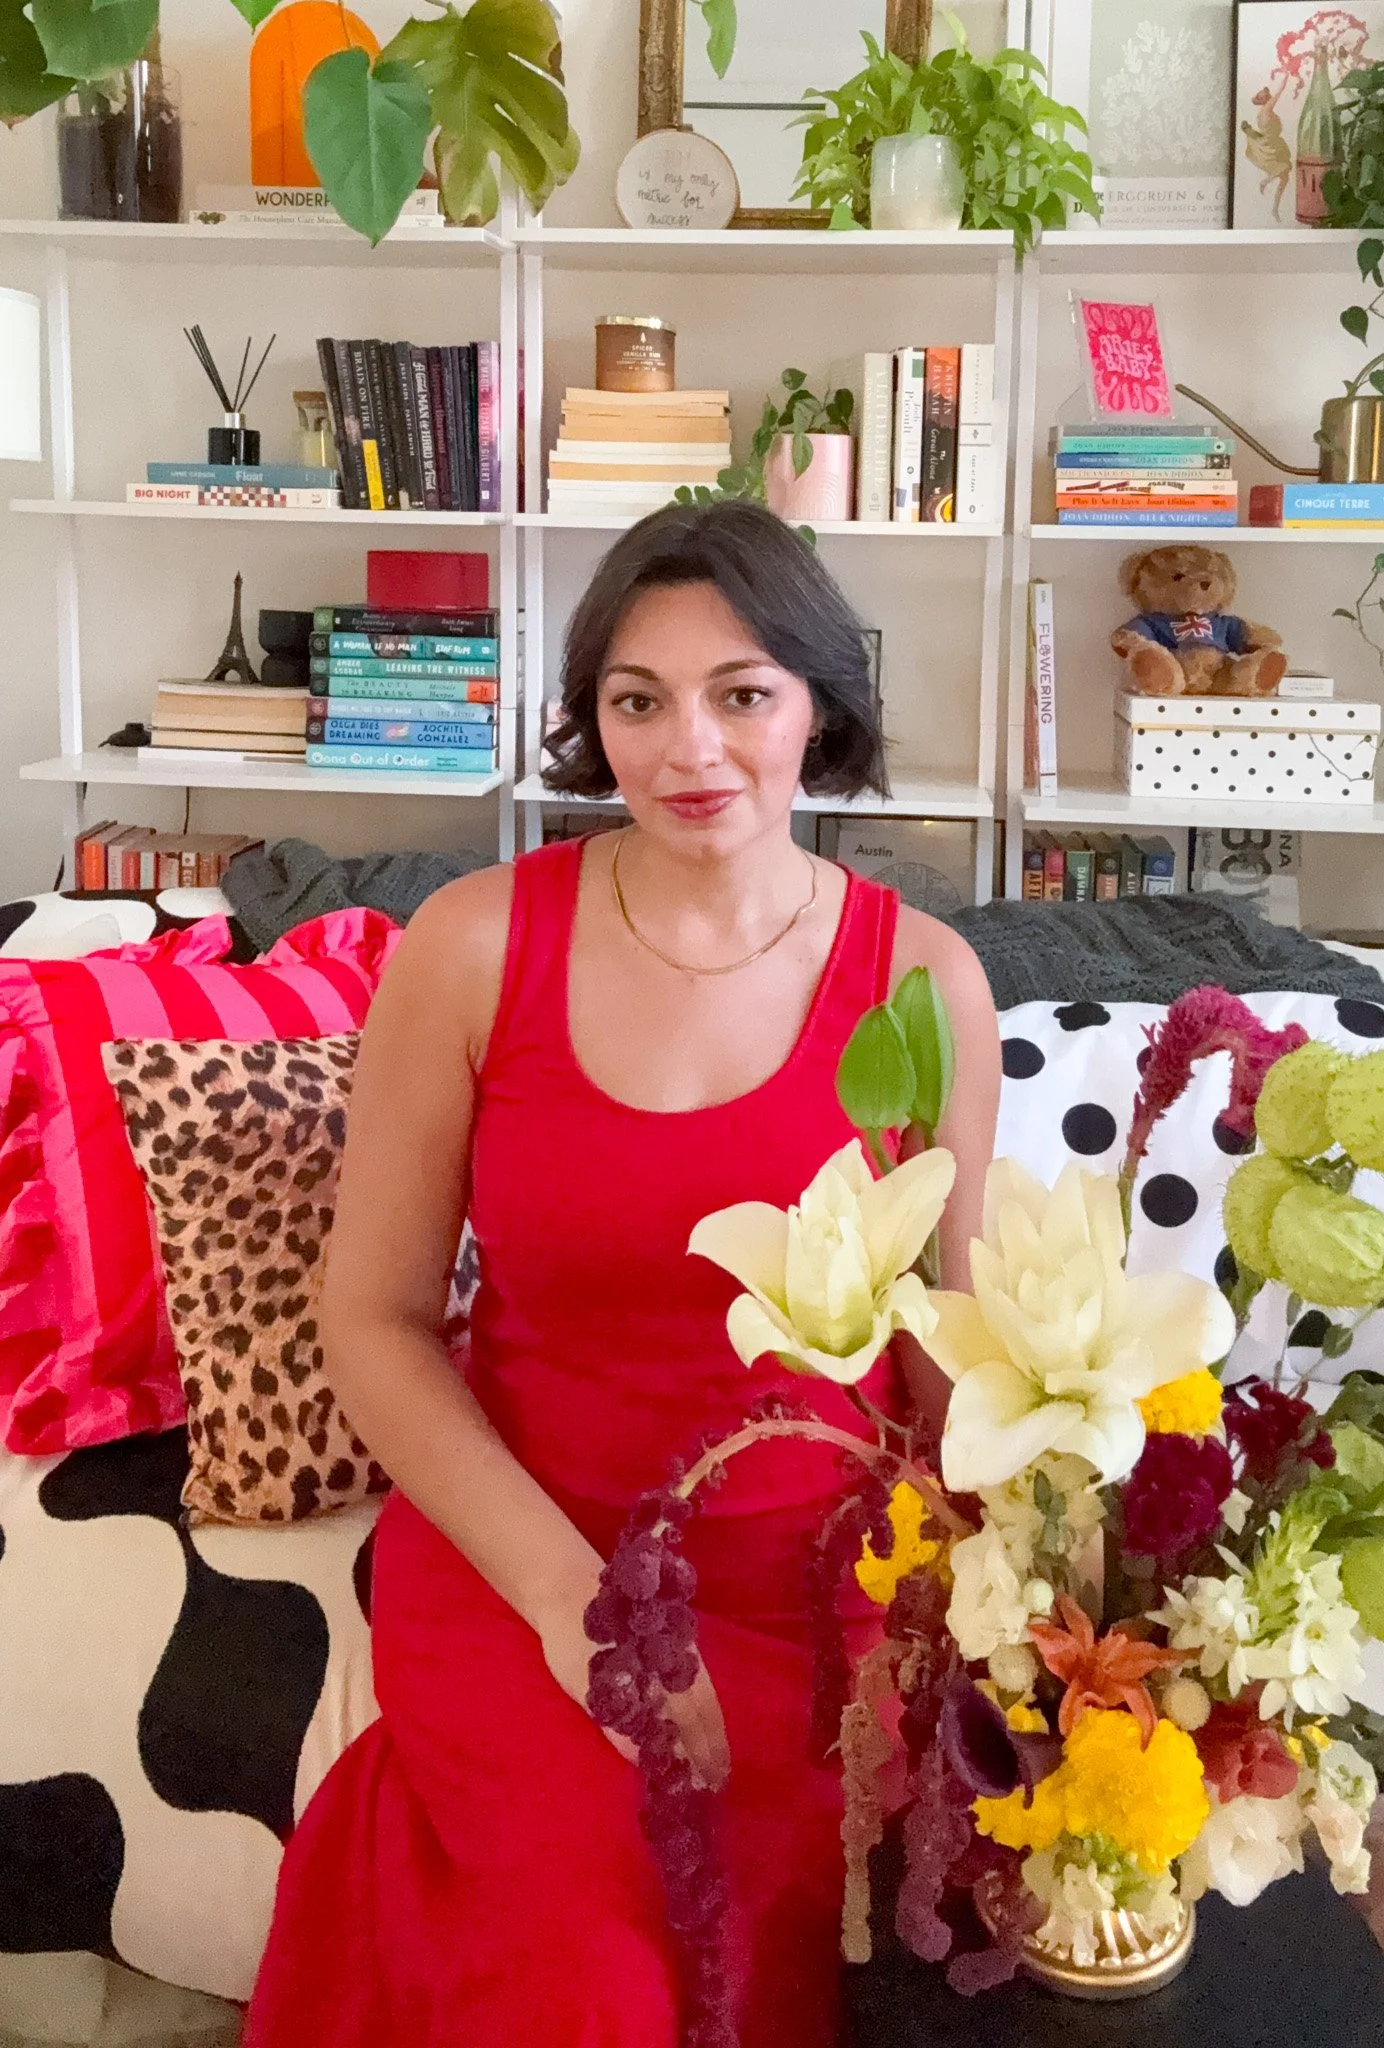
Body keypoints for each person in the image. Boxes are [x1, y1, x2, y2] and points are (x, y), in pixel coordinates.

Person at [246, 500, 1001, 2048]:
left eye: (742, 694)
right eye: (636, 700)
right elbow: (373, 1319)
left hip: (823, 1595)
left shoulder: (924, 979)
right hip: (534, 1556)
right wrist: (573, 1606)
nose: (689, 749)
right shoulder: (471, 945)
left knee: (781, 1968)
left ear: (817, 707)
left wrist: (1040, 1598)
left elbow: (949, 1343)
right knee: (586, 1985)